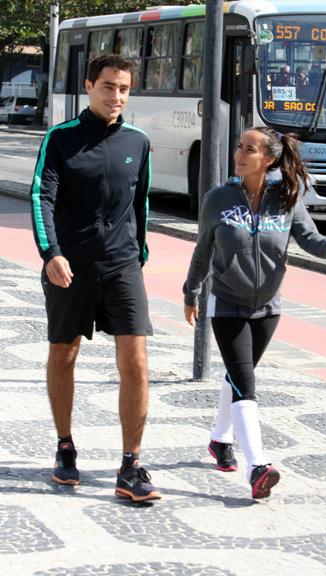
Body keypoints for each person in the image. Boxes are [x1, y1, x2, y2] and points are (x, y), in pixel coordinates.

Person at [183, 127, 326, 500]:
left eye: (249, 149)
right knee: (245, 381)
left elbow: (310, 239)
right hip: (227, 305)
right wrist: (191, 291)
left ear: (270, 159)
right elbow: (202, 250)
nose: (239, 154)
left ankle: (218, 439)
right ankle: (257, 466)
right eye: (239, 147)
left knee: (238, 375)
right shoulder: (218, 199)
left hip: (268, 308)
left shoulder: (286, 197)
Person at [30, 54, 161, 502]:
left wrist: (139, 255)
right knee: (64, 355)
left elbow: (141, 203)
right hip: (71, 266)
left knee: (137, 362)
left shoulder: (139, 141)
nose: (117, 96)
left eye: (124, 88)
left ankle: (132, 464)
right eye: (109, 87)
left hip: (123, 266)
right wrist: (51, 253)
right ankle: (65, 446)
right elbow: (41, 197)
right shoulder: (60, 139)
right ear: (89, 86)